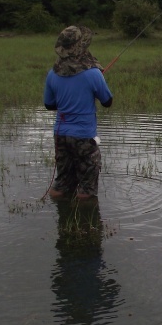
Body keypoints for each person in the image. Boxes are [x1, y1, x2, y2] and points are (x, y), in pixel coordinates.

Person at [43, 25, 113, 201]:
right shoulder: (93, 74)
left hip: (60, 135)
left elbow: (49, 105)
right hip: (84, 136)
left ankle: (61, 215)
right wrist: (97, 80)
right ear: (81, 47)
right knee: (87, 189)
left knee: (62, 183)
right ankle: (84, 224)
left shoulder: (52, 73)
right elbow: (107, 101)